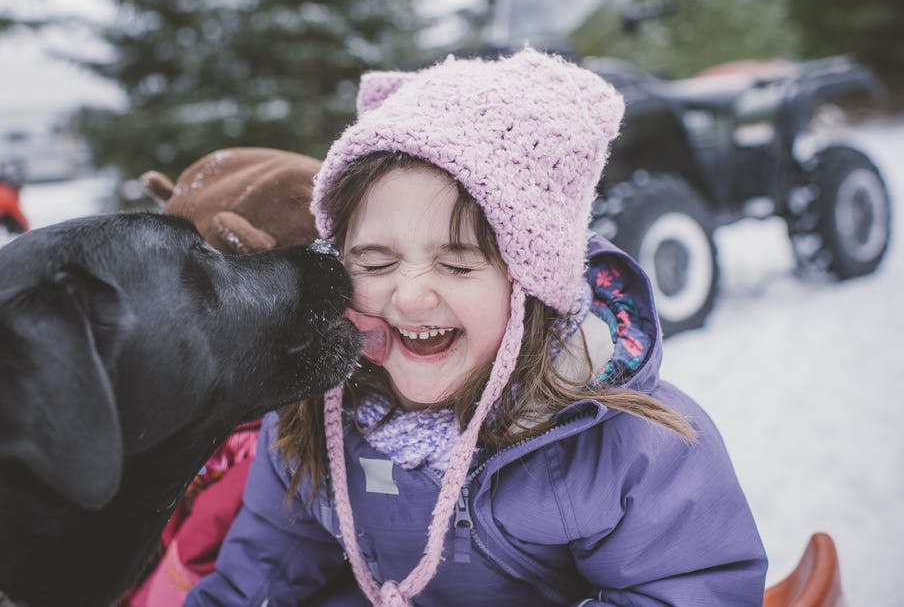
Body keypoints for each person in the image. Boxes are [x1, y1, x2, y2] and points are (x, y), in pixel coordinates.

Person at [184, 48, 767, 606]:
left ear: (533, 285)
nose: (409, 296)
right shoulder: (318, 415)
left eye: (458, 264)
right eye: (376, 263)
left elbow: (685, 588)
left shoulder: (625, 444)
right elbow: (269, 559)